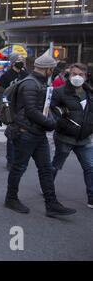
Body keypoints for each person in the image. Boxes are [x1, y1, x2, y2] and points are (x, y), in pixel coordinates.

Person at [5, 53, 76, 218]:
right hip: (25, 133)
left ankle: (51, 204)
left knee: (45, 169)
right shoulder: (31, 84)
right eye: (52, 68)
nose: (53, 71)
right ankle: (11, 198)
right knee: (19, 167)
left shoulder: (38, 82)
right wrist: (50, 123)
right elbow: (31, 111)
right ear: (48, 69)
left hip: (36, 133)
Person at [51, 63, 93, 209]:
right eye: (74, 74)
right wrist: (62, 123)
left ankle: (91, 197)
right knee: (56, 165)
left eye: (80, 74)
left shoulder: (90, 92)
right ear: (68, 76)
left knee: (90, 167)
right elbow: (52, 112)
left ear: (86, 76)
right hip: (65, 137)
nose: (77, 77)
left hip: (85, 138)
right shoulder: (59, 92)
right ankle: (48, 190)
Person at [0, 54, 29, 170]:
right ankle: (10, 160)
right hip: (10, 109)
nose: (21, 62)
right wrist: (1, 109)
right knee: (11, 136)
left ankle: (19, 160)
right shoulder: (5, 76)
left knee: (23, 135)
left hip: (24, 108)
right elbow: (1, 94)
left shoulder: (26, 75)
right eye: (18, 60)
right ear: (12, 62)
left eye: (22, 60)